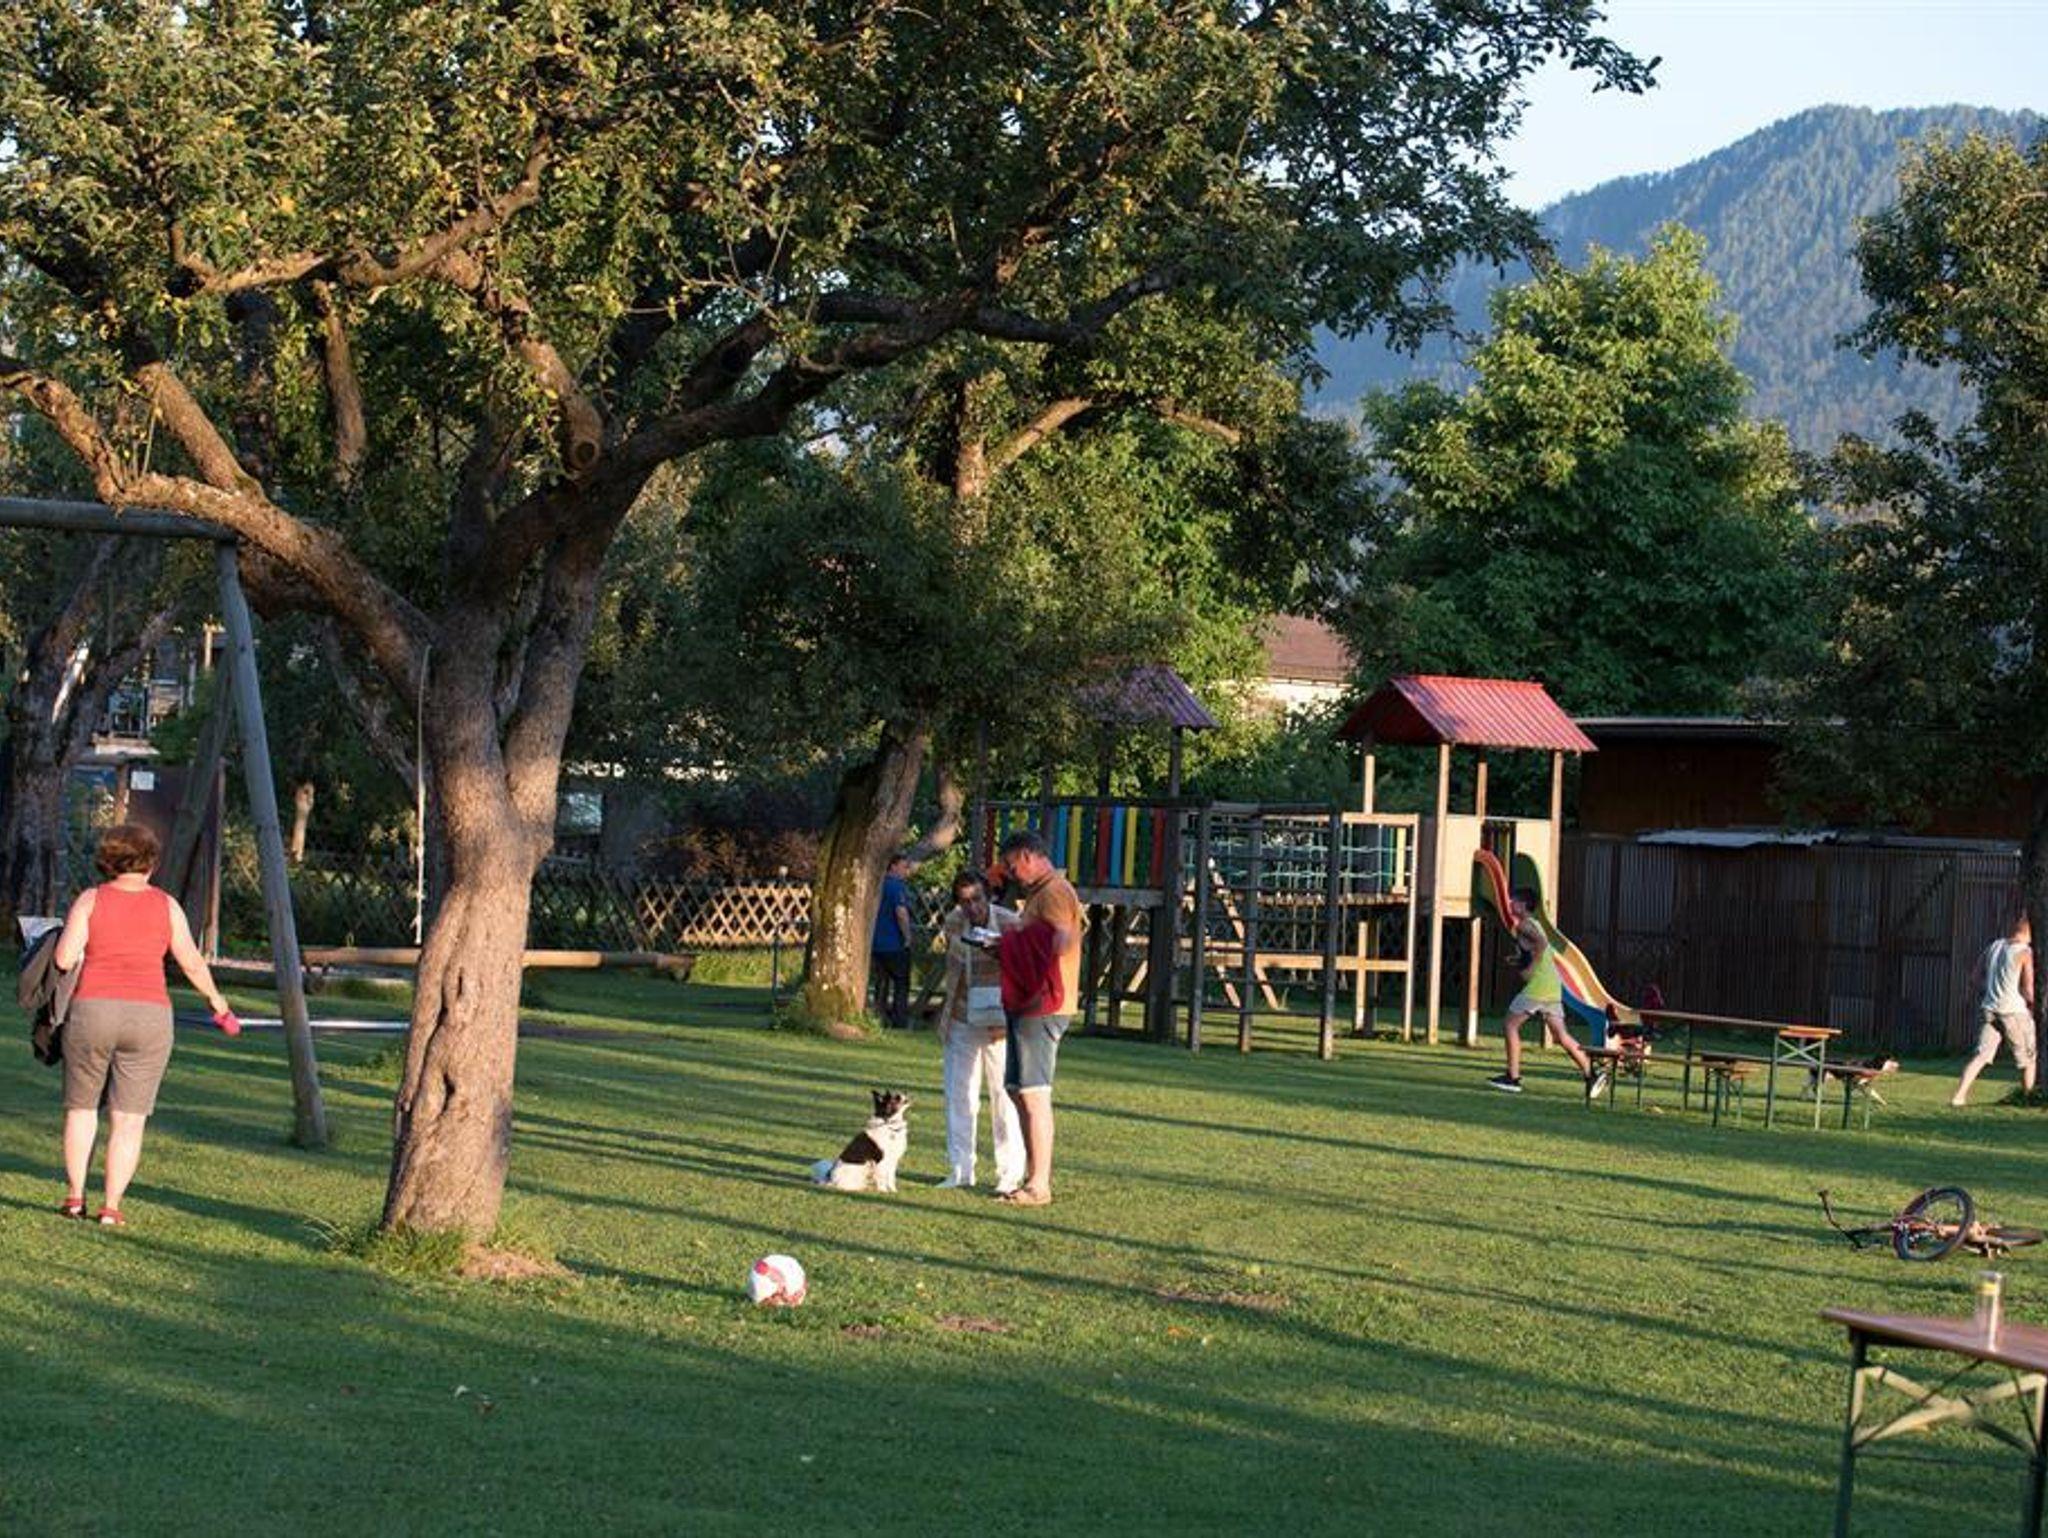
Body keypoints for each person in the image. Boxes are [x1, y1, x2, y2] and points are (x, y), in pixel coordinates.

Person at [52, 822, 240, 1225]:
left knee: (81, 1109)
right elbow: (191, 961)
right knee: (129, 1118)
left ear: (107, 861)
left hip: (93, 1011)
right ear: (151, 862)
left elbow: (64, 959)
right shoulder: (166, 905)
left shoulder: (90, 899)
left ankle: (74, 1197)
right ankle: (111, 1207)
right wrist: (218, 1003)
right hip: (150, 1016)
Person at [994, 829, 1082, 1206]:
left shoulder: (1054, 892)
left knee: (1034, 1093)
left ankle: (1039, 1185)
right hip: (1028, 1002)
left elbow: (1062, 940)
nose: (1012, 874)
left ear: (1029, 856)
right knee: (1016, 1089)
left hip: (1045, 1003)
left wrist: (1015, 942)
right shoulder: (1038, 894)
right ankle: (1032, 1176)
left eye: (1013, 866)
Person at [936, 871, 1024, 1193]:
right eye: (964, 901)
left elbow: (1023, 969)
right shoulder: (953, 923)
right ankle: (960, 1169)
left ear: (989, 897)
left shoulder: (1011, 923)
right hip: (962, 1015)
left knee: (1004, 1098)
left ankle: (1009, 1173)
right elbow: (953, 972)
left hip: (1000, 1018)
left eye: (977, 899)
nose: (971, 907)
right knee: (959, 1095)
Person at [1487, 886, 1606, 1098]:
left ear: (1522, 906)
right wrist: (1518, 960)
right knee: (1560, 1036)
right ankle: (1591, 1074)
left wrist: (1531, 967)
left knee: (1510, 1025)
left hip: (1539, 986)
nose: (1509, 904)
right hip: (1552, 986)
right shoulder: (1535, 924)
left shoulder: (1524, 925)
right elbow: (1537, 947)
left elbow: (1541, 945)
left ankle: (1512, 1078)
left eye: (1513, 901)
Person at [1952, 911, 2035, 1107]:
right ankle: (2028, 1098)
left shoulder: (1994, 946)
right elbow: (2028, 988)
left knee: (1981, 1056)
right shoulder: (2025, 952)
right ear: (2029, 933)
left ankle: (1958, 1096)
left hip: (1989, 1009)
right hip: (2013, 1010)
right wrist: (2034, 1006)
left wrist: (1991, 991)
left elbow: (1974, 979)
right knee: (2028, 1059)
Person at [870, 852, 916, 1029]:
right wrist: (907, 937)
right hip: (894, 943)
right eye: (904, 867)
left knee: (881, 982)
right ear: (893, 866)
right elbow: (901, 913)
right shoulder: (896, 886)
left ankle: (878, 1016)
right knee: (901, 982)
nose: (906, 871)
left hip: (876, 943)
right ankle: (899, 1020)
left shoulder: (877, 885)